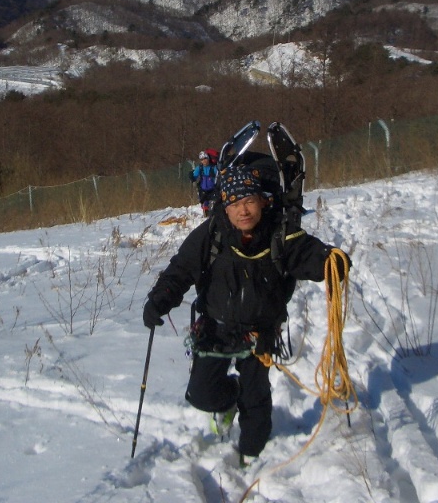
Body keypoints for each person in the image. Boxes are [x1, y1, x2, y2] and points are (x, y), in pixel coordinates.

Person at [143, 159, 349, 466]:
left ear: (263, 202)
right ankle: (228, 401)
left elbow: (307, 254)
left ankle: (252, 453)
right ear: (224, 206)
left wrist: (330, 262)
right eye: (235, 202)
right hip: (215, 329)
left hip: (260, 334)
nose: (243, 210)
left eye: (250, 201)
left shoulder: (280, 234)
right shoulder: (209, 235)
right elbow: (180, 271)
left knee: (256, 400)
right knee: (201, 394)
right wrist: (159, 300)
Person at [189, 149, 219, 215]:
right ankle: (206, 213)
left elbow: (219, 174)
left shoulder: (213, 168)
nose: (204, 161)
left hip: (213, 190)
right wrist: (192, 176)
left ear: (208, 158)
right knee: (204, 205)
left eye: (205, 158)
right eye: (202, 159)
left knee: (215, 205)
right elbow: (194, 176)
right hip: (203, 191)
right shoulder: (200, 168)